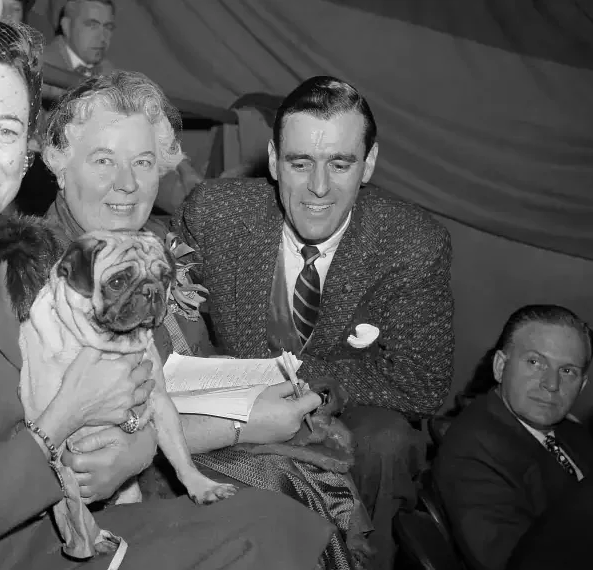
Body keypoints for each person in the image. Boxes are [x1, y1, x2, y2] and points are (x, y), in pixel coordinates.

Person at [0, 13, 334, 570]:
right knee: (274, 528)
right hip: (9, 546)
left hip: (61, 515)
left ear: (27, 147)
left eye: (4, 130)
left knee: (284, 523)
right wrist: (73, 415)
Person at [39, 69, 372, 569]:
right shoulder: (43, 276)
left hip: (184, 456)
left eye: (143, 162)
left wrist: (258, 391)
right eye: (103, 160)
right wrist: (237, 424)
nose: (126, 184)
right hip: (121, 501)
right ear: (59, 163)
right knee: (286, 493)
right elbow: (87, 445)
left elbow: (190, 362)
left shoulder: (156, 242)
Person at [173, 75, 455, 569]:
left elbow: (422, 383)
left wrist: (312, 385)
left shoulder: (412, 242)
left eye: (340, 164)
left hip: (350, 414)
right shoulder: (215, 214)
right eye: (300, 163)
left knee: (387, 442)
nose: (318, 188)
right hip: (234, 406)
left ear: (368, 163)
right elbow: (175, 329)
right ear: (273, 160)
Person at [433, 305, 593, 570]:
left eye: (567, 371)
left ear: (582, 385)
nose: (551, 384)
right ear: (500, 366)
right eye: (535, 362)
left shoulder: (573, 432)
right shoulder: (475, 450)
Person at [43, 0, 115, 78]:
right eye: (92, 25)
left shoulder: (110, 73)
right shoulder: (40, 67)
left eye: (108, 27)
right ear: (66, 26)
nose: (102, 38)